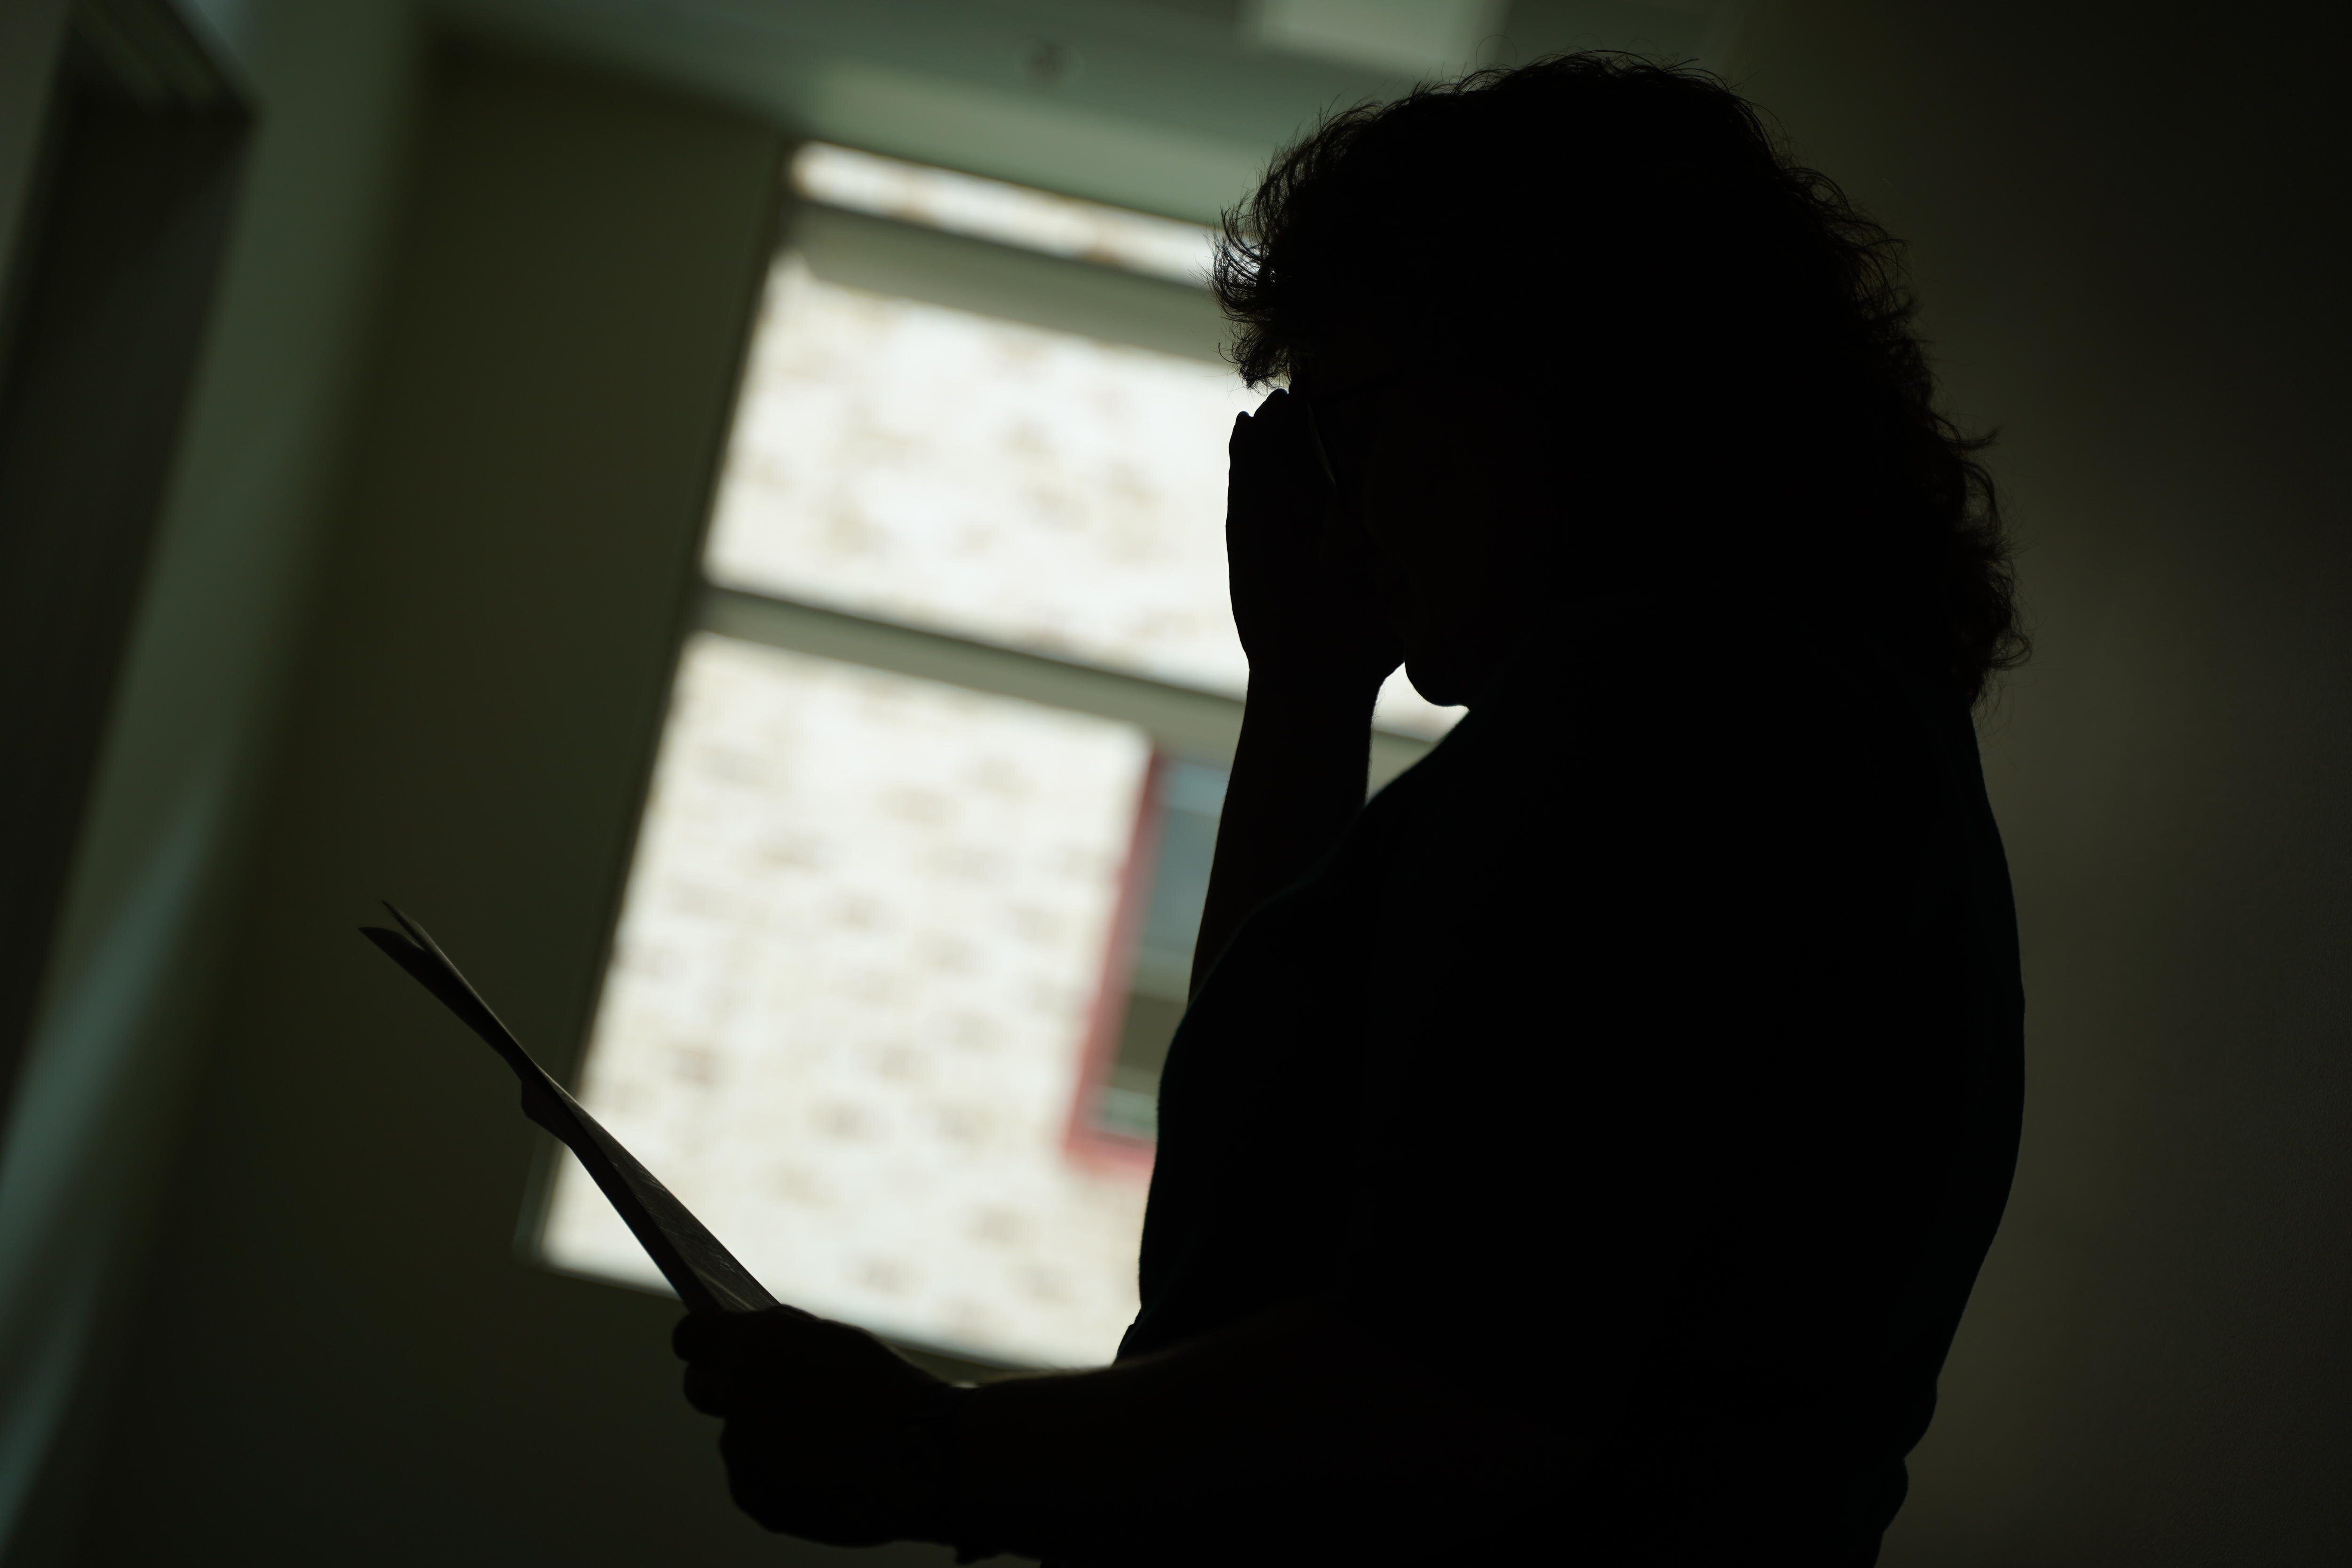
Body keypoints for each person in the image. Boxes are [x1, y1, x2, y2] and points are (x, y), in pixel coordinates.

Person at [674, 53, 2026, 1566]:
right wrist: (1308, 688)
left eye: (1351, 424)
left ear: (1561, 373)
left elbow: (1451, 1387)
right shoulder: (1741, 716)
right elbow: (1285, 1182)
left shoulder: (1692, 721)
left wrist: (939, 1458)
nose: (1327, 501)